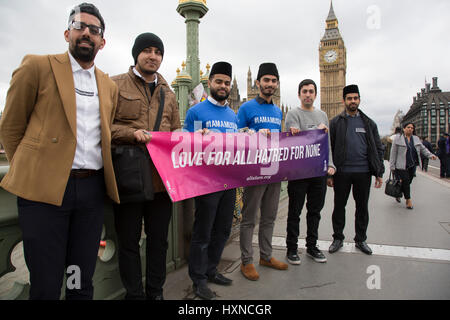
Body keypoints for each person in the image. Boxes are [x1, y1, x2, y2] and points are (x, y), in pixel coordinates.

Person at [0, 3, 118, 299]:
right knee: (46, 281)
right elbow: (11, 128)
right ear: (67, 33)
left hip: (90, 192)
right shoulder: (37, 67)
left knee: (80, 276)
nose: (87, 33)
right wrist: (34, 173)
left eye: (95, 29)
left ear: (102, 42)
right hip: (45, 194)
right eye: (80, 26)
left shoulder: (108, 84)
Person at [110, 33, 181, 300]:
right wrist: (132, 134)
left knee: (159, 242)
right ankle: (134, 294)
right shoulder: (114, 84)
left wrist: (194, 137)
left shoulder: (169, 93)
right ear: (136, 54)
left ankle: (155, 292)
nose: (153, 56)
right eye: (147, 50)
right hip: (128, 175)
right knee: (128, 242)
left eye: (158, 52)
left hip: (161, 180)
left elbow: (175, 131)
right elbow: (105, 128)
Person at [184, 62, 238, 300]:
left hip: (229, 182)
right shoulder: (197, 112)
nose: (223, 86)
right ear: (210, 83)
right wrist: (198, 137)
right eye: (219, 81)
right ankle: (198, 280)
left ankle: (211, 269)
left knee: (223, 230)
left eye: (227, 82)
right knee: (203, 232)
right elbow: (189, 144)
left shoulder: (232, 115)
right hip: (206, 182)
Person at [237, 63, 288, 281]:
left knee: (269, 216)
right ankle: (246, 261)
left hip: (274, 170)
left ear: (277, 84)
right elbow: (237, 135)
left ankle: (266, 256)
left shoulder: (277, 111)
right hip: (254, 170)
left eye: (273, 81)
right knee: (249, 218)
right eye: (266, 80)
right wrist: (255, 133)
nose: (270, 84)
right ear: (257, 83)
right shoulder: (246, 108)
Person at [327, 84, 385, 255]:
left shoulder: (369, 123)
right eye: (349, 98)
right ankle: (338, 238)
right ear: (344, 100)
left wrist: (378, 172)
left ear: (359, 100)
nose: (353, 101)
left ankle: (361, 239)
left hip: (363, 172)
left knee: (362, 207)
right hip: (342, 172)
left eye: (355, 98)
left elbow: (378, 148)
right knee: (339, 206)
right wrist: (328, 175)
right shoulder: (336, 122)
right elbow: (329, 148)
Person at [284, 79, 335, 265]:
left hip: (318, 173)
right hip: (298, 173)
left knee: (315, 212)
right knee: (294, 212)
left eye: (311, 91)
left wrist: (331, 165)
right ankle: (292, 248)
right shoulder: (292, 114)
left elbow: (326, 143)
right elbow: (293, 143)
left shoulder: (323, 115)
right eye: (304, 91)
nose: (308, 94)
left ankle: (312, 246)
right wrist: (315, 132)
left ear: (315, 94)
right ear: (299, 94)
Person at [389, 123, 436, 209]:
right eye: (408, 127)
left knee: (408, 181)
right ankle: (408, 200)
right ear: (404, 129)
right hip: (401, 165)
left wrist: (430, 155)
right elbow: (393, 153)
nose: (410, 129)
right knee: (406, 181)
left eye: (412, 128)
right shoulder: (398, 138)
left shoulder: (416, 139)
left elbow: (423, 149)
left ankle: (398, 192)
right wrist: (392, 166)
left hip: (412, 164)